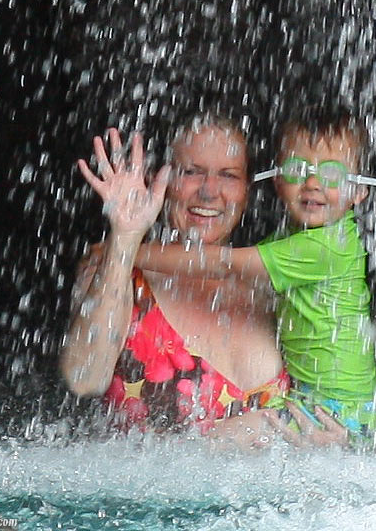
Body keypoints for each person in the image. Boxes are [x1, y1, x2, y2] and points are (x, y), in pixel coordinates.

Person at [60, 114, 351, 448]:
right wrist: (125, 237)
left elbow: (331, 397)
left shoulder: (275, 285)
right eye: (191, 172)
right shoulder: (117, 267)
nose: (209, 192)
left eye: (228, 175)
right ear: (160, 179)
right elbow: (84, 379)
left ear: (248, 190)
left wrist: (336, 443)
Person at [133, 112, 376, 445]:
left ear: (359, 191)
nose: (313, 184)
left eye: (333, 174)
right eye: (297, 170)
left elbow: (223, 265)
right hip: (320, 402)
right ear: (278, 181)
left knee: (206, 444)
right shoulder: (291, 239)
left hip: (336, 412)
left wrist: (125, 249)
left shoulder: (325, 247)